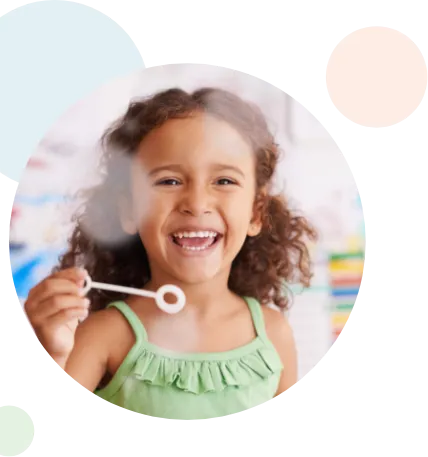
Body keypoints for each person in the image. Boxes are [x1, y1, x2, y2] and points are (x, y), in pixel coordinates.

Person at [24, 87, 317, 421]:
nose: (196, 204)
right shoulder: (105, 336)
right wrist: (54, 353)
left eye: (223, 180)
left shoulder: (273, 332)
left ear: (255, 212)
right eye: (169, 181)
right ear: (130, 210)